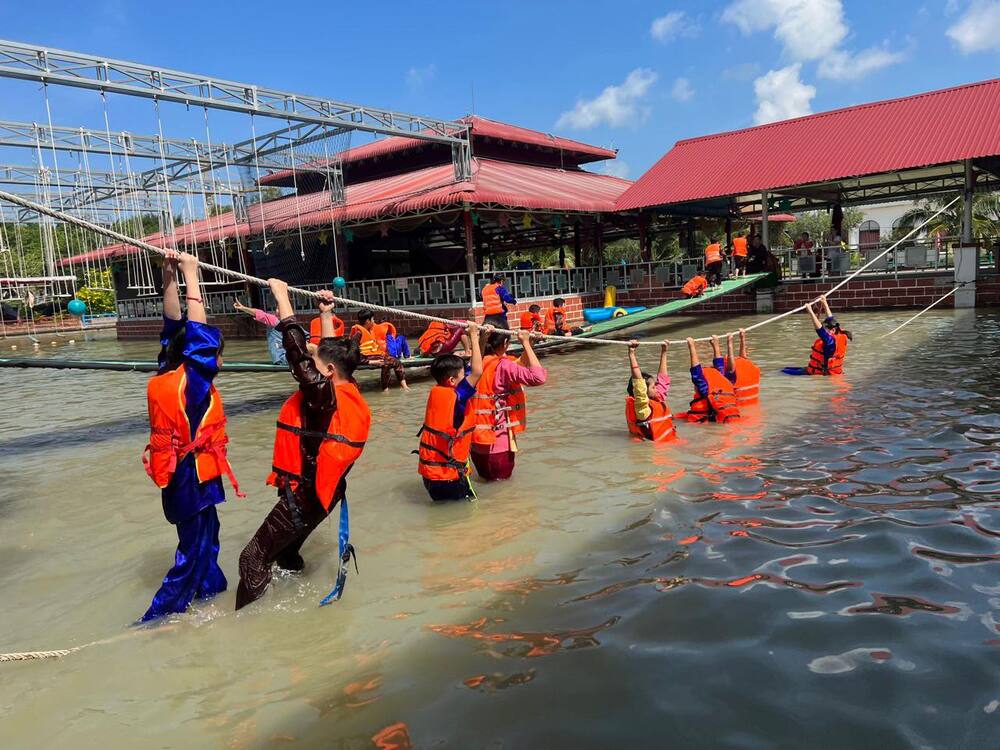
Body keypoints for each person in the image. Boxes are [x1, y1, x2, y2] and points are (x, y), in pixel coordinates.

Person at [236, 279, 371, 610]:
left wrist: (282, 299)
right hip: (323, 494)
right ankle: (297, 608)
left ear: (328, 371)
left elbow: (296, 352)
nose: (310, 362)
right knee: (285, 554)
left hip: (305, 495)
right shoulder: (346, 388)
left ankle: (243, 624)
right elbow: (324, 354)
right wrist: (326, 313)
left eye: (316, 362)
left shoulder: (323, 396)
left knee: (252, 558)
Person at [141, 250, 241, 622]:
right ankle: (159, 617)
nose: (219, 361)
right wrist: (191, 274)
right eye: (217, 355)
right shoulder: (192, 384)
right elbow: (197, 334)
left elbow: (174, 328)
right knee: (194, 549)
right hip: (191, 478)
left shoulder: (167, 369)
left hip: (183, 476)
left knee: (207, 538)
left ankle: (210, 594)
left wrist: (169, 275)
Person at [417, 321, 485, 502]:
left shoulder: (438, 392)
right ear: (452, 380)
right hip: (449, 476)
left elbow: (473, 368)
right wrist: (473, 335)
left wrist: (481, 338)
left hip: (430, 474)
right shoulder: (458, 397)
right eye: (463, 375)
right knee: (468, 511)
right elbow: (478, 371)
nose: (467, 377)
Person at [470, 330, 547, 481]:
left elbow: (517, 365)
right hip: (498, 445)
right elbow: (539, 377)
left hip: (476, 444)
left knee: (487, 483)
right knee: (502, 486)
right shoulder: (504, 365)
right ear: (505, 343)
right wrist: (525, 343)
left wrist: (530, 343)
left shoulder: (476, 364)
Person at [783, 295, 852, 376]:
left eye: (825, 329)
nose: (824, 331)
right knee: (785, 368)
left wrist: (810, 312)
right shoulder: (838, 331)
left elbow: (820, 330)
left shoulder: (830, 343)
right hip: (823, 369)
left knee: (783, 371)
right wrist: (824, 302)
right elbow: (831, 319)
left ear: (832, 330)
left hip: (821, 373)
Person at [625, 339, 675, 442]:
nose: (657, 388)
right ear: (644, 391)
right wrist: (632, 354)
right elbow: (639, 384)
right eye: (653, 387)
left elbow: (663, 379)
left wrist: (664, 351)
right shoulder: (642, 409)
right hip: (658, 448)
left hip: (669, 443)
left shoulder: (656, 398)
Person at [681, 336, 739, 423]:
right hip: (731, 419)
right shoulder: (725, 381)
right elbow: (721, 367)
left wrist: (691, 346)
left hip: (705, 422)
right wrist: (716, 345)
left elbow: (695, 371)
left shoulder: (705, 389)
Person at [351, 310, 409, 392]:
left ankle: (404, 386)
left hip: (374, 355)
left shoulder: (370, 330)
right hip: (365, 358)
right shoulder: (358, 333)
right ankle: (385, 389)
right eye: (372, 319)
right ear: (368, 321)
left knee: (396, 362)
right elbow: (353, 351)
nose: (374, 321)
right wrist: (370, 362)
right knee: (386, 364)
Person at [233, 299, 287, 366]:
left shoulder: (276, 321)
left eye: (279, 309)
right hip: (284, 357)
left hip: (282, 358)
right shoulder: (279, 321)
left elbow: (258, 313)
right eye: (277, 308)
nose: (277, 311)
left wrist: (243, 308)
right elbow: (259, 314)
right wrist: (243, 308)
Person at [726, 329, 761, 406]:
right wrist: (742, 338)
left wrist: (729, 342)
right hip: (754, 408)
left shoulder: (733, 373)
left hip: (740, 409)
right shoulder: (753, 369)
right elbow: (743, 358)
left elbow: (731, 361)